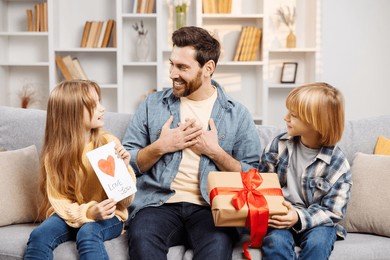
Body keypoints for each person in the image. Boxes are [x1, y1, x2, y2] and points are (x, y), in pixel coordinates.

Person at [122, 26, 261, 260]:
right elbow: (127, 162)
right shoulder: (152, 105)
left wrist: (215, 152)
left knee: (217, 248)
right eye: (172, 64)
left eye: (182, 67)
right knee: (142, 239)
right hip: (158, 204)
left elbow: (254, 177)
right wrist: (161, 146)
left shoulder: (237, 114)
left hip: (211, 208)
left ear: (208, 68)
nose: (172, 74)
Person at [24, 80, 136, 260]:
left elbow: (126, 200)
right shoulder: (54, 154)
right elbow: (59, 200)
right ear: (72, 113)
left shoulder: (109, 143)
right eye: (94, 104)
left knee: (88, 233)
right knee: (39, 236)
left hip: (109, 215)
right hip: (68, 214)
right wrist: (88, 212)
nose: (102, 108)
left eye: (100, 101)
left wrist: (124, 168)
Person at [258, 82, 352, 260]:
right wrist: (279, 210)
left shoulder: (337, 164)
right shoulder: (279, 145)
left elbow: (334, 211)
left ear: (316, 123)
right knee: (275, 243)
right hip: (281, 217)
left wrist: (298, 216)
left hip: (318, 223)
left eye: (293, 115)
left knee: (318, 244)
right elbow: (261, 184)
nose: (286, 118)